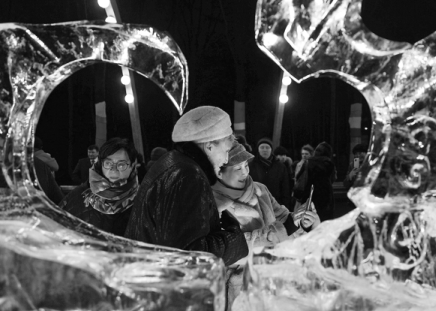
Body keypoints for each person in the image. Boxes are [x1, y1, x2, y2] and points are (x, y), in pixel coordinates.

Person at [125, 106, 248, 266]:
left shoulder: (174, 162)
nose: (226, 160)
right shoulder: (188, 176)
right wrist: (234, 241)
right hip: (161, 283)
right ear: (210, 146)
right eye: (226, 151)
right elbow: (188, 257)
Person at [212, 142, 320, 310]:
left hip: (271, 278)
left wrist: (303, 221)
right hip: (239, 287)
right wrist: (282, 230)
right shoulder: (213, 202)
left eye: (246, 165)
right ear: (219, 172)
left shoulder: (260, 189)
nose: (245, 172)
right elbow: (229, 247)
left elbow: (284, 216)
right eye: (237, 168)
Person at [60, 138, 139, 236]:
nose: (113, 170)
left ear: (132, 166)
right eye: (108, 163)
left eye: (121, 165)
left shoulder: (143, 201)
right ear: (101, 164)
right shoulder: (78, 196)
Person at [295, 142, 336, 222]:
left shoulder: (308, 163)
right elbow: (333, 179)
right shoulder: (329, 164)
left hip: (309, 197)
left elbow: (299, 179)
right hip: (326, 198)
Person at [248, 138, 291, 209]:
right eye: (262, 147)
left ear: (271, 150)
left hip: (276, 204)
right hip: (257, 204)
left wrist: (285, 205)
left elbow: (285, 187)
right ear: (258, 149)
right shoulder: (251, 165)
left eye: (267, 147)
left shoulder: (280, 166)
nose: (265, 150)